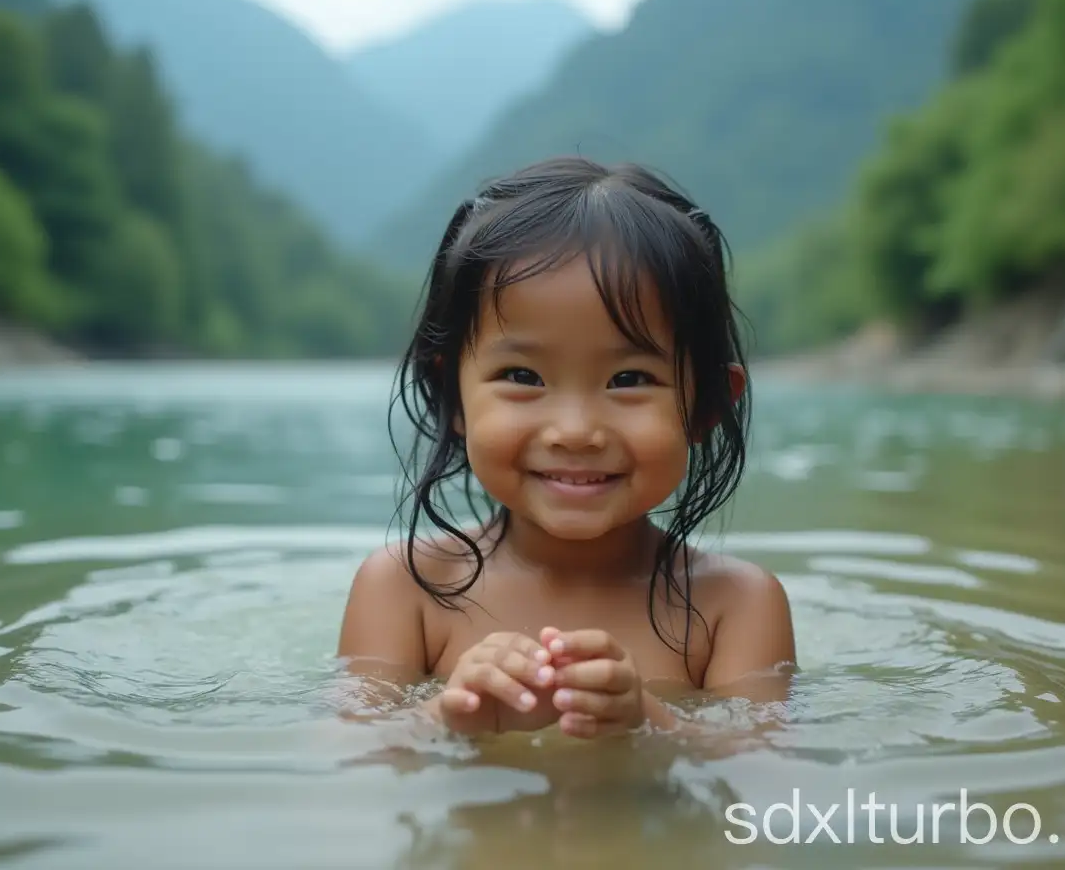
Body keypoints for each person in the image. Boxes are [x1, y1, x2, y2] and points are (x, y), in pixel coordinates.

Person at [337, 156, 795, 740]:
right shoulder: (404, 589)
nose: (575, 429)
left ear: (706, 406)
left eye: (628, 379)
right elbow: (350, 758)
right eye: (524, 377)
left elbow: (763, 780)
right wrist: (446, 716)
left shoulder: (734, 606)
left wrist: (649, 725)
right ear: (453, 396)